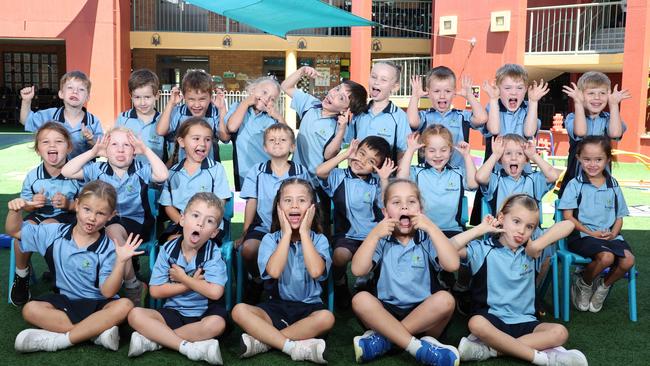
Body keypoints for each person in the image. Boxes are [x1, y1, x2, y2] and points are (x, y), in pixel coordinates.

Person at [5, 180, 141, 353]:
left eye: (100, 213)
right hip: (65, 302)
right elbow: (15, 231)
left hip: (99, 304)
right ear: (76, 205)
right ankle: (94, 333)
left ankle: (61, 341)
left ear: (111, 216)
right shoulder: (54, 233)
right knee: (30, 309)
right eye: (87, 209)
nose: (92, 217)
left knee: (125, 306)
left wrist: (121, 262)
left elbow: (108, 292)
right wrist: (14, 211)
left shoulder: (109, 247)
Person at [451, 194, 587, 366]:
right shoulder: (482, 249)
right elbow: (448, 248)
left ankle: (491, 351)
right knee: (476, 323)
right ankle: (542, 357)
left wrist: (538, 245)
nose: (522, 231)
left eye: (529, 226)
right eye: (516, 221)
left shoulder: (533, 251)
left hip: (527, 321)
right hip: (493, 320)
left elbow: (568, 224)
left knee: (560, 332)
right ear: (501, 218)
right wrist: (479, 229)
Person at [350, 179, 461, 366]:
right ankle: (417, 348)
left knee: (446, 300)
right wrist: (374, 234)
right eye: (396, 202)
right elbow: (357, 270)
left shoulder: (426, 237)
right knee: (360, 300)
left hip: (425, 316)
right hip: (385, 314)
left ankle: (386, 341)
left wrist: (432, 228)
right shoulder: (381, 239)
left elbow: (452, 265)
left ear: (421, 210)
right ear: (385, 212)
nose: (404, 207)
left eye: (411, 202)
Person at [61, 127, 169, 305]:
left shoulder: (141, 169)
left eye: (127, 145)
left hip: (136, 224)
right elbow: (67, 171)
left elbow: (163, 174)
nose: (120, 149)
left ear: (134, 150)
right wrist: (93, 151)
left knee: (112, 231)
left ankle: (132, 285)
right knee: (88, 229)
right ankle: (83, 283)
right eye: (114, 144)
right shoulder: (97, 169)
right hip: (101, 222)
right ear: (106, 150)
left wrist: (146, 150)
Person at [231, 178, 334, 364]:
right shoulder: (270, 239)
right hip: (276, 307)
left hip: (309, 309)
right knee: (239, 311)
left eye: (302, 200)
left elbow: (317, 271)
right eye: (288, 200)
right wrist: (286, 234)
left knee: (326, 318)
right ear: (279, 207)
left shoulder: (319, 240)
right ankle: (292, 346)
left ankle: (265, 341)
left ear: (312, 208)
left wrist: (304, 233)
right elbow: (275, 271)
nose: (294, 205)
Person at [127, 192, 228, 365]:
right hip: (173, 311)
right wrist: (190, 284)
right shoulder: (168, 249)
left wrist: (183, 278)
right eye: (195, 215)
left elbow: (215, 292)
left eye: (209, 221)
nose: (200, 223)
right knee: (135, 314)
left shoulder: (213, 254)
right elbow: (156, 291)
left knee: (217, 324)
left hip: (204, 313)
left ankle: (156, 340)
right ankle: (187, 346)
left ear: (214, 233)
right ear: (182, 219)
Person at [558, 135, 635, 313]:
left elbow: (619, 216)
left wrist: (614, 234)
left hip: (610, 236)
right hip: (582, 236)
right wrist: (591, 233)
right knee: (607, 257)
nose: (593, 164)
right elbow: (568, 216)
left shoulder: (613, 185)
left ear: (608, 159)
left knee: (628, 260)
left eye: (598, 159)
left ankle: (603, 286)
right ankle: (584, 282)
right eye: (587, 159)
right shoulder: (574, 185)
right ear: (578, 159)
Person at [315, 135, 393, 309]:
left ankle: (373, 282)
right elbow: (319, 172)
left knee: (387, 256)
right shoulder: (339, 176)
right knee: (339, 256)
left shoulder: (377, 183)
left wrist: (385, 179)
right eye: (361, 153)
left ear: (376, 168)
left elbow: (387, 204)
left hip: (374, 236)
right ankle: (340, 283)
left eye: (371, 160)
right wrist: (345, 155)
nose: (362, 161)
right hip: (347, 235)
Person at [10, 122, 82, 306]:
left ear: (69, 147)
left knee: (50, 225)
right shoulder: (33, 176)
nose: (52, 146)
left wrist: (69, 204)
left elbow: (86, 206)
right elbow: (25, 205)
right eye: (45, 142)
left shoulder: (77, 173)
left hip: (68, 219)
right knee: (22, 235)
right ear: (38, 149)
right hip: (38, 216)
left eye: (58, 141)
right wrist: (32, 204)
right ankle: (21, 276)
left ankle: (61, 278)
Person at [238, 124, 311, 304]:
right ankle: (257, 279)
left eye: (283, 140)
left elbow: (309, 204)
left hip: (294, 228)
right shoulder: (257, 171)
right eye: (272, 140)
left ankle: (288, 288)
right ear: (265, 147)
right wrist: (245, 231)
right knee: (248, 249)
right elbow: (251, 201)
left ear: (292, 146)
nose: (277, 143)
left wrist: (304, 229)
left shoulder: (301, 172)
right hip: (264, 226)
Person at [471, 64, 549, 225]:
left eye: (519, 88)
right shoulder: (494, 106)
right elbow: (494, 129)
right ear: (498, 88)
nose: (514, 92)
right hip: (496, 171)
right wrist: (493, 99)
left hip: (521, 169)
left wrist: (534, 102)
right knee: (495, 211)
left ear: (526, 89)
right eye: (507, 88)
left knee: (524, 208)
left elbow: (529, 132)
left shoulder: (528, 108)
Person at [281, 65, 368, 182]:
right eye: (337, 89)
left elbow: (329, 155)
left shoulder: (341, 127)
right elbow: (286, 87)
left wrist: (341, 130)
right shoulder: (310, 104)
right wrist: (302, 71)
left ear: (346, 110)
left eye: (341, 98)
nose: (333, 94)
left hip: (317, 184)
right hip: (295, 176)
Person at [159, 118, 231, 243]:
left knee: (197, 241)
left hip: (209, 224)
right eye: (196, 138)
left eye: (207, 139)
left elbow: (220, 202)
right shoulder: (171, 173)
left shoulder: (217, 169)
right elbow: (168, 206)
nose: (203, 143)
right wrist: (185, 223)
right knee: (173, 241)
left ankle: (203, 262)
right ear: (182, 142)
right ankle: (177, 263)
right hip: (181, 223)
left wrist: (203, 222)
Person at [558, 71, 629, 197]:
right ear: (581, 95)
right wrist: (578, 103)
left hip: (601, 186)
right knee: (570, 215)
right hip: (574, 185)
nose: (597, 97)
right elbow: (580, 132)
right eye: (591, 93)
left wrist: (613, 106)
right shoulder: (572, 117)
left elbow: (615, 133)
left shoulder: (609, 118)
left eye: (602, 93)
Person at [406, 66, 487, 167]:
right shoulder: (425, 116)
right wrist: (415, 96)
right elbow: (411, 121)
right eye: (436, 91)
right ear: (428, 92)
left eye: (448, 91)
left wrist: (470, 95)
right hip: (427, 175)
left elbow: (482, 118)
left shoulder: (460, 116)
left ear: (454, 92)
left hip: (457, 174)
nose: (442, 96)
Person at [19, 71, 103, 158]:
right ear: (61, 94)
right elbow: (25, 120)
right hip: (54, 169)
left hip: (84, 170)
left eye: (81, 89)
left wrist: (90, 139)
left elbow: (100, 151)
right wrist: (26, 101)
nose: (75, 92)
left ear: (87, 97)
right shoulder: (49, 115)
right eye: (70, 88)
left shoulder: (93, 122)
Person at [224, 76, 286, 190]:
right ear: (252, 90)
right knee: (247, 206)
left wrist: (278, 117)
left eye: (272, 99)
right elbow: (232, 127)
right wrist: (246, 102)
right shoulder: (239, 107)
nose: (267, 98)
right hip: (243, 173)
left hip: (268, 174)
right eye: (264, 92)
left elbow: (286, 142)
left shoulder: (271, 120)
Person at [476, 134, 560, 216]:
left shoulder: (533, 180)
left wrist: (533, 156)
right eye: (508, 153)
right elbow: (480, 177)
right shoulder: (496, 180)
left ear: (526, 159)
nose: (514, 157)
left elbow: (553, 176)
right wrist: (495, 155)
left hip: (529, 229)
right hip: (503, 229)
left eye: (519, 153)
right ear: (500, 160)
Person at [156, 69, 229, 163]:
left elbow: (225, 138)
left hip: (208, 172)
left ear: (211, 97)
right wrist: (171, 104)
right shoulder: (178, 112)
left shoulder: (215, 114)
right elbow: (160, 131)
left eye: (202, 99)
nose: (197, 105)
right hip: (181, 173)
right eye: (191, 99)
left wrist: (222, 109)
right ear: (184, 97)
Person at [346, 61, 411, 162]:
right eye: (374, 77)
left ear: (395, 87)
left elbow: (402, 153)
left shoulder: (399, 117)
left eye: (383, 79)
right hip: (357, 176)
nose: (376, 82)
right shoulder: (359, 113)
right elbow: (351, 146)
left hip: (384, 176)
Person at [114, 68, 165, 163]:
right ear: (131, 97)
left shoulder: (163, 121)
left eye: (147, 97)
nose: (142, 103)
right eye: (137, 97)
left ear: (157, 95)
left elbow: (171, 154)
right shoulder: (123, 118)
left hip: (154, 175)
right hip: (128, 175)